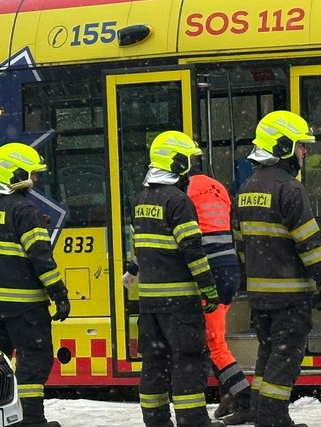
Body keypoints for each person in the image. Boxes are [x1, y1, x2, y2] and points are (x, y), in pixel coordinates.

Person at [234, 110, 321, 427]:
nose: (305, 152)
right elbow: (308, 241)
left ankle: (260, 410)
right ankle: (273, 418)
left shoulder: (247, 187)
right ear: (284, 146)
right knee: (285, 357)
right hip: (290, 294)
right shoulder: (289, 188)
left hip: (260, 295)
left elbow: (241, 242)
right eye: (301, 145)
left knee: (268, 353)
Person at [128, 131, 223, 427]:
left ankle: (155, 420)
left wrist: (132, 271)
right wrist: (208, 288)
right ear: (178, 163)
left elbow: (139, 249)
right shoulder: (178, 201)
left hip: (150, 303)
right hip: (180, 302)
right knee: (188, 360)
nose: (192, 168)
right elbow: (192, 250)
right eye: (190, 161)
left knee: (154, 363)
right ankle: (193, 420)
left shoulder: (142, 199)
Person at [0, 142, 69, 427]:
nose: (34, 179)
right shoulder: (24, 210)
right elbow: (41, 259)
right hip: (24, 307)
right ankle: (33, 420)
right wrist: (59, 295)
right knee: (33, 362)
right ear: (15, 174)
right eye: (31, 173)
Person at [186, 166, 253, 424]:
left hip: (210, 272)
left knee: (214, 345)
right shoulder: (219, 188)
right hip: (229, 270)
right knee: (213, 338)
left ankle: (246, 399)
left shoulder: (184, 192)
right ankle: (230, 392)